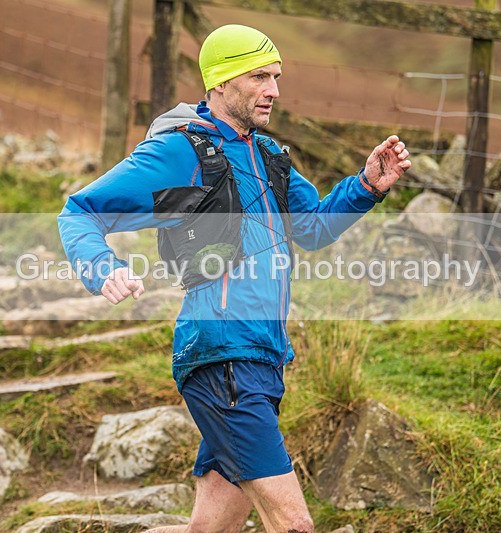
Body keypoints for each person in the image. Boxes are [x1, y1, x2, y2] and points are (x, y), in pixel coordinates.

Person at [58, 24, 410, 533]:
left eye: (277, 77)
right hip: (224, 357)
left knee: (213, 528)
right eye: (260, 77)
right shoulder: (179, 153)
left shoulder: (268, 155)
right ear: (220, 82)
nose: (274, 91)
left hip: (263, 359)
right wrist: (103, 267)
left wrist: (365, 187)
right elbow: (80, 212)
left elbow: (310, 228)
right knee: (294, 524)